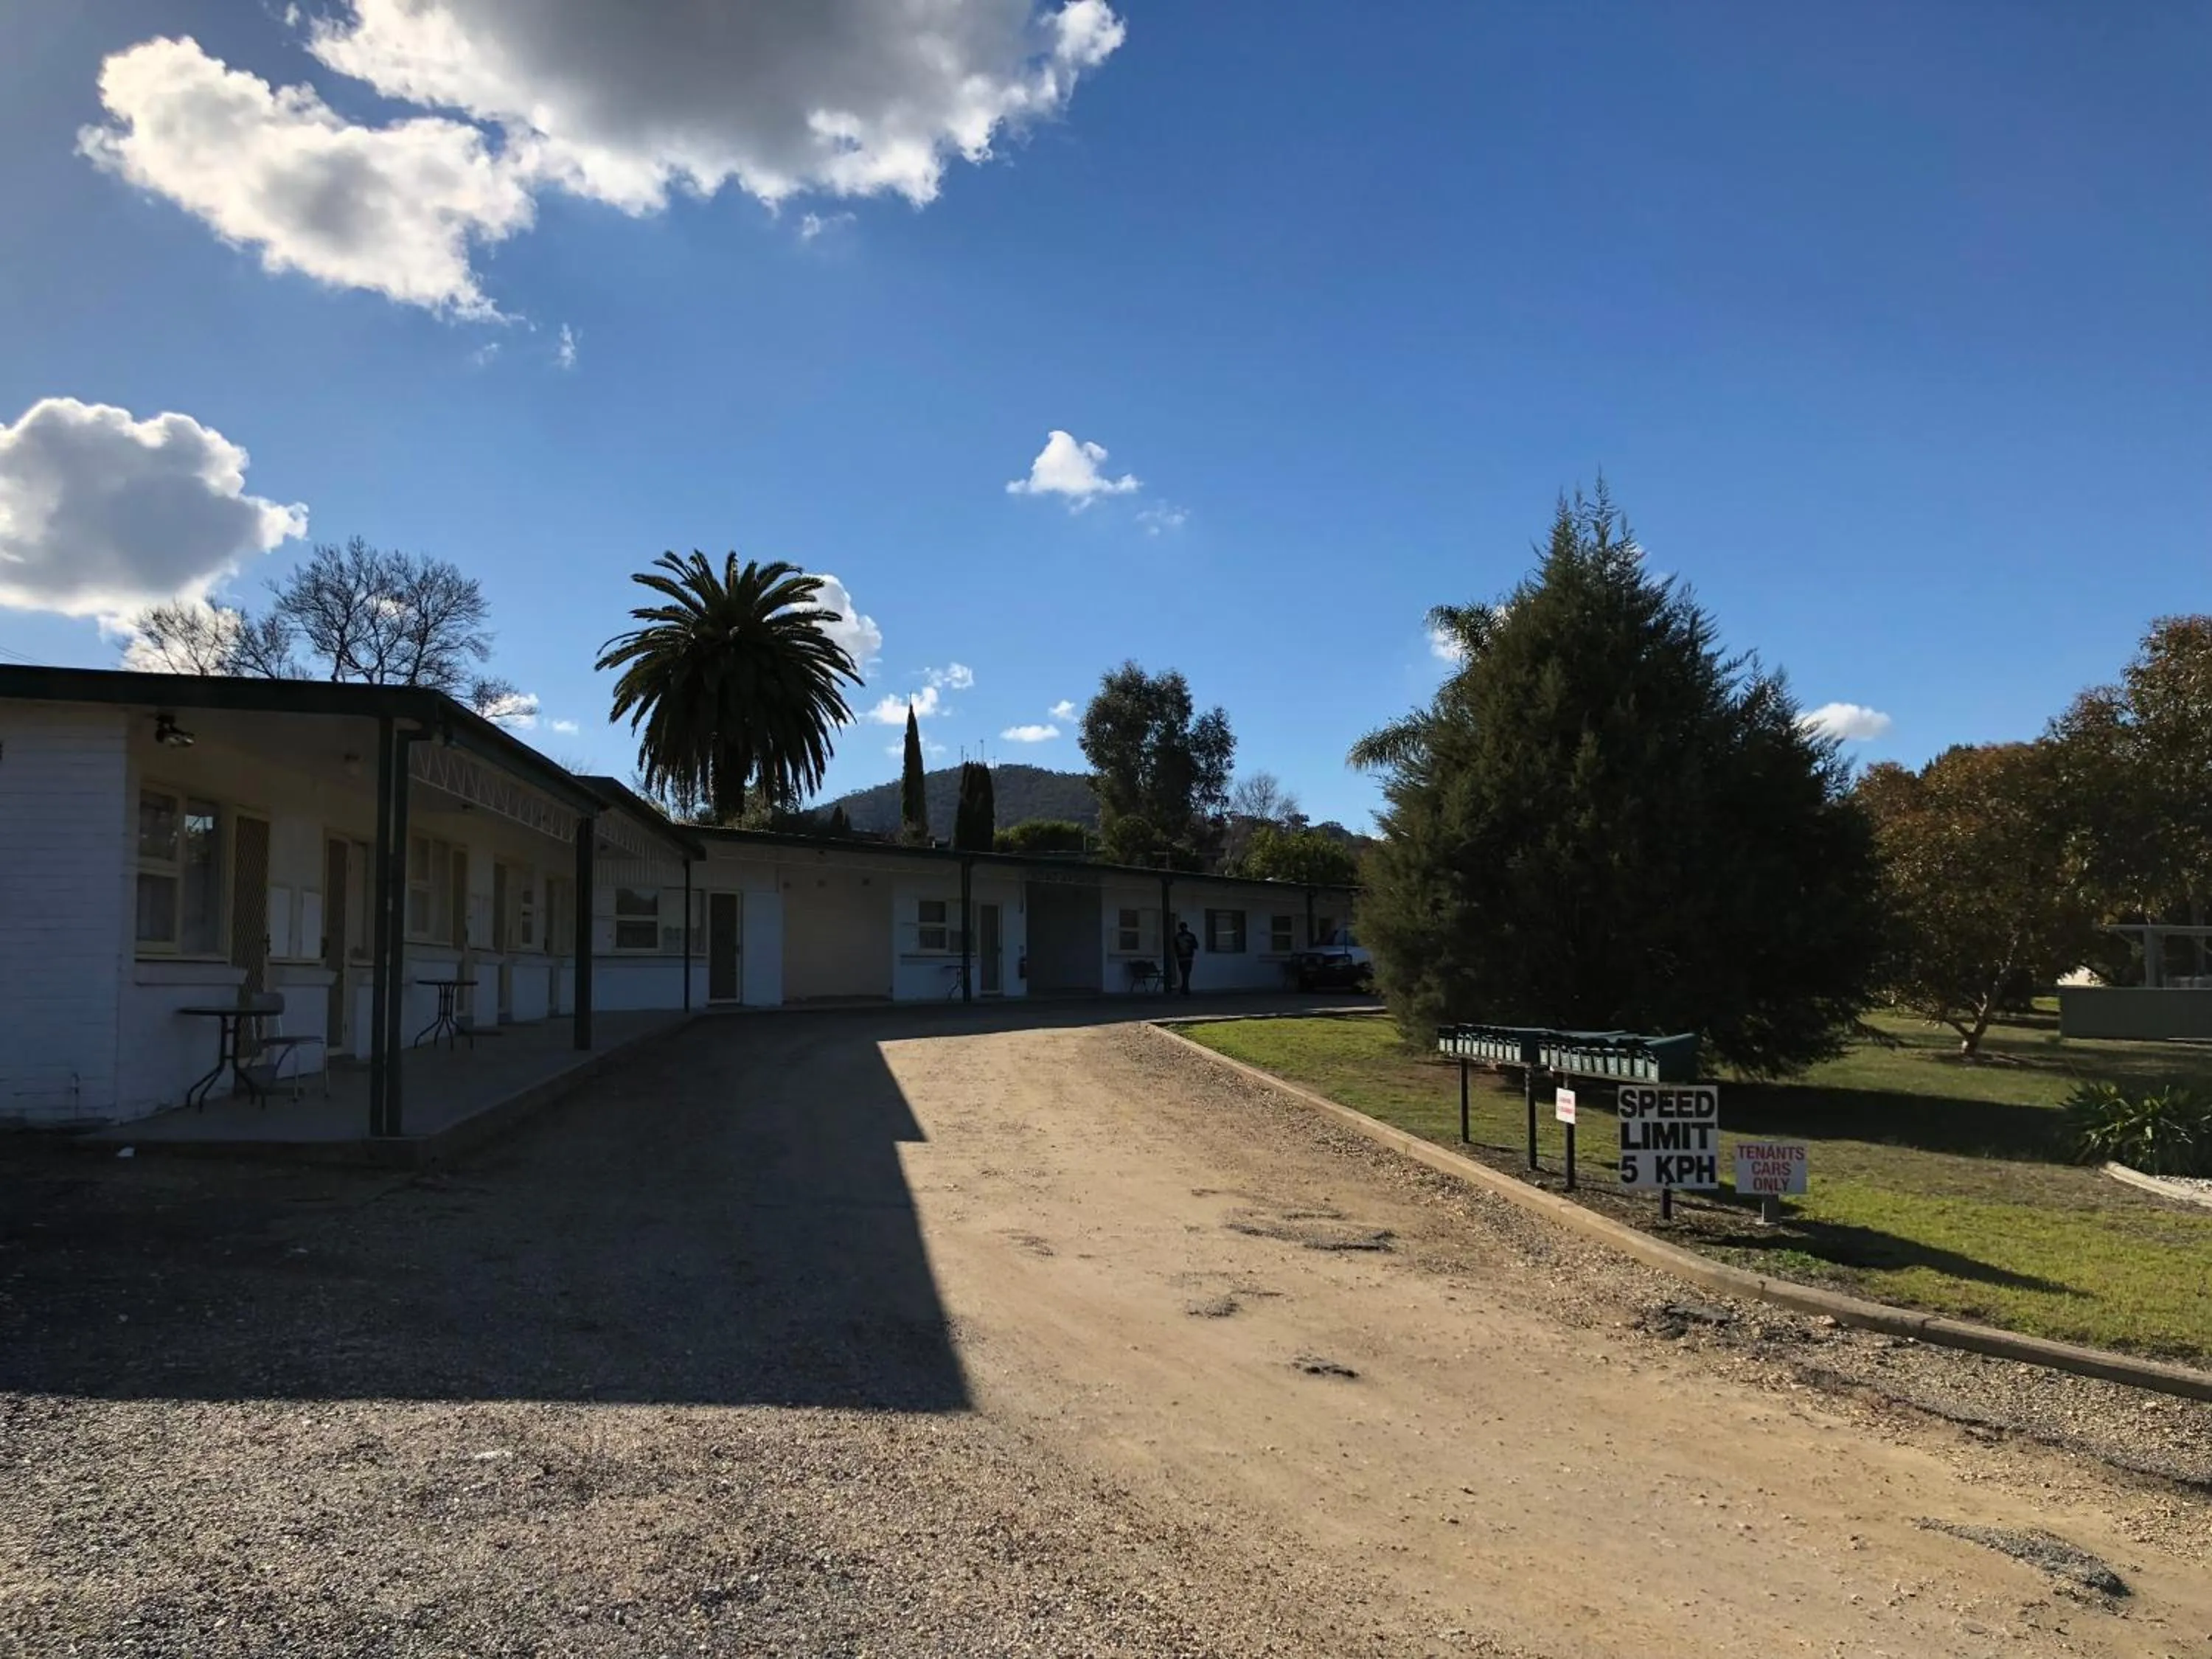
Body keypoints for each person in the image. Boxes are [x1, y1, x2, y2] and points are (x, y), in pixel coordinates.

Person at [1171, 920, 1200, 997]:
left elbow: (1175, 947)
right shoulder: (1190, 936)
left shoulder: (1178, 937)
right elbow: (1196, 946)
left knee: (1184, 973)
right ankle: (1185, 988)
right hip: (1188, 957)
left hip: (1182, 957)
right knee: (1186, 973)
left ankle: (1185, 988)